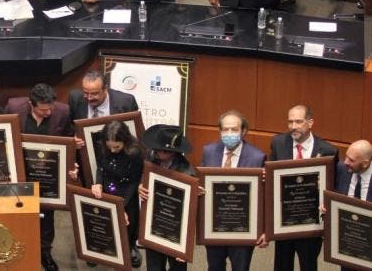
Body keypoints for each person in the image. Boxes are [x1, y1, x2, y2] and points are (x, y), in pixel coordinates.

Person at [5, 83, 73, 271]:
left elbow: (68, 138)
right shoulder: (13, 108)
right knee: (19, 212)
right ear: (31, 104)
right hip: (22, 172)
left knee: (47, 215)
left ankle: (45, 252)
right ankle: (18, 249)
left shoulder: (63, 111)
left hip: (48, 174)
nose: (49, 113)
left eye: (50, 108)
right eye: (43, 110)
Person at [269, 104, 337, 271]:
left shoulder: (328, 150)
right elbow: (272, 176)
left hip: (310, 221)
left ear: (310, 122)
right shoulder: (278, 143)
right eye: (290, 122)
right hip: (284, 219)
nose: (293, 127)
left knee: (308, 264)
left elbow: (331, 186)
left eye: (298, 122)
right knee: (282, 264)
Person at [200, 110, 267, 271]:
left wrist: (265, 230)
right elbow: (202, 181)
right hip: (214, 226)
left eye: (234, 129)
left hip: (242, 228)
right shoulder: (209, 151)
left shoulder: (258, 157)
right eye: (225, 129)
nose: (229, 133)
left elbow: (264, 197)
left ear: (244, 131)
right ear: (220, 131)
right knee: (214, 267)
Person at [138, 124, 193, 271]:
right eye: (155, 149)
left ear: (173, 152)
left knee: (177, 267)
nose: (156, 153)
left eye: (161, 151)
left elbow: (189, 214)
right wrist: (140, 186)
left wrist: (185, 248)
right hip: (153, 223)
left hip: (175, 228)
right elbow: (140, 176)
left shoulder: (186, 173)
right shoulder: (151, 157)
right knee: (154, 266)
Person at [91, 120, 144, 268]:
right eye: (110, 147)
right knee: (105, 223)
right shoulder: (103, 146)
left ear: (124, 141)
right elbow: (100, 167)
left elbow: (134, 182)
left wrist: (121, 206)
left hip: (127, 192)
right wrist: (98, 183)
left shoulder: (134, 152)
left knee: (128, 225)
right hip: (109, 188)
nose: (113, 150)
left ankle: (130, 248)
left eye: (117, 147)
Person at [330, 139, 372, 271]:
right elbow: (333, 195)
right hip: (346, 242)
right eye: (346, 156)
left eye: (352, 160)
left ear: (365, 163)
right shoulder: (342, 169)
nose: (346, 162)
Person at [68, 70, 139, 121]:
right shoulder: (75, 98)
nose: (89, 98)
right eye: (86, 93)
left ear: (105, 89)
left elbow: (134, 133)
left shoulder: (126, 102)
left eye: (94, 94)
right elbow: (70, 128)